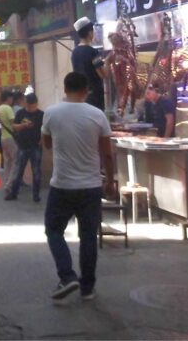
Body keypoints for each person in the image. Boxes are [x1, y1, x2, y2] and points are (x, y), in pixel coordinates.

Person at [42, 72, 115, 301]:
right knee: (88, 236)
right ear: (86, 90)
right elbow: (107, 153)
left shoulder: (51, 113)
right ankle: (87, 288)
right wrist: (110, 180)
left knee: (54, 230)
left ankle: (67, 276)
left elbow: (46, 144)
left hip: (62, 185)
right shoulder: (97, 115)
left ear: (65, 89)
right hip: (91, 186)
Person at [6, 93, 45, 202]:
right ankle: (14, 193)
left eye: (33, 106)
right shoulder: (20, 113)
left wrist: (42, 140)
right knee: (18, 170)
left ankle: (36, 195)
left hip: (36, 146)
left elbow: (46, 129)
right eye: (29, 106)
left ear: (36, 104)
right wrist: (23, 125)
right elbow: (14, 127)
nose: (31, 108)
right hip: (22, 146)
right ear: (25, 103)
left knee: (36, 171)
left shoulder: (41, 114)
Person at [71, 17, 107, 111]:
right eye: (93, 31)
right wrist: (108, 62)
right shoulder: (93, 52)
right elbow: (103, 74)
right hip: (95, 96)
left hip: (81, 96)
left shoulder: (74, 52)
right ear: (90, 33)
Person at [0, 90, 19, 196]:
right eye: (11, 98)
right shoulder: (8, 108)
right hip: (10, 138)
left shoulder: (0, 108)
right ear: (8, 98)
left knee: (7, 162)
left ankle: (6, 182)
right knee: (15, 161)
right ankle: (9, 184)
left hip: (3, 137)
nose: (12, 100)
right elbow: (13, 124)